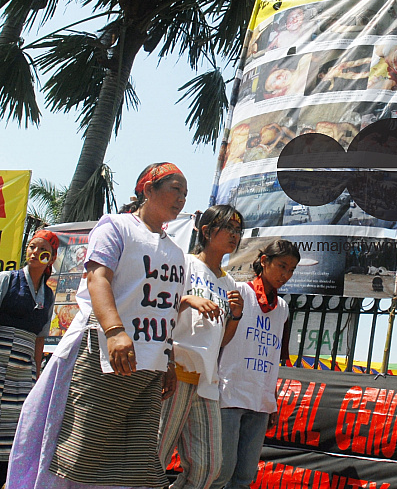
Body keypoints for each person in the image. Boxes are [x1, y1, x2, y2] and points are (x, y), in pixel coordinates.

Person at [8, 162, 188, 488]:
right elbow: (97, 278)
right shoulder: (115, 227)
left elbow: (166, 309)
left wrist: (169, 360)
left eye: (185, 193)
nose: (181, 199)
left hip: (147, 365)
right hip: (100, 352)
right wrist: (115, 331)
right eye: (175, 189)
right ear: (148, 190)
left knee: (132, 454)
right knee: (76, 445)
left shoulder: (176, 252)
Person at [158, 205, 246, 489]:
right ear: (206, 231)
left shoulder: (229, 281)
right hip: (176, 372)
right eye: (228, 228)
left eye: (238, 231)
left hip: (206, 381)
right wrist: (187, 301)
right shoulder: (183, 263)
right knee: (153, 456)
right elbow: (159, 311)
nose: (235, 235)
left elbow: (221, 340)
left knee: (209, 467)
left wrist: (236, 316)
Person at [210, 239, 300, 489]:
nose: (286, 275)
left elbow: (273, 359)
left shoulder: (282, 308)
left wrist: (271, 401)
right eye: (282, 266)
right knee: (221, 473)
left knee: (245, 477)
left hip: (259, 401)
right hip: (229, 395)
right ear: (264, 261)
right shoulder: (239, 292)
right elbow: (219, 341)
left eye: (291, 270)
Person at [0, 230, 58, 484]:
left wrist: (36, 377)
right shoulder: (6, 280)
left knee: (12, 429)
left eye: (42, 249)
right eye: (32, 247)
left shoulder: (48, 296)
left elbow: (39, 340)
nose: (35, 252)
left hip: (22, 370)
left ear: (51, 257)